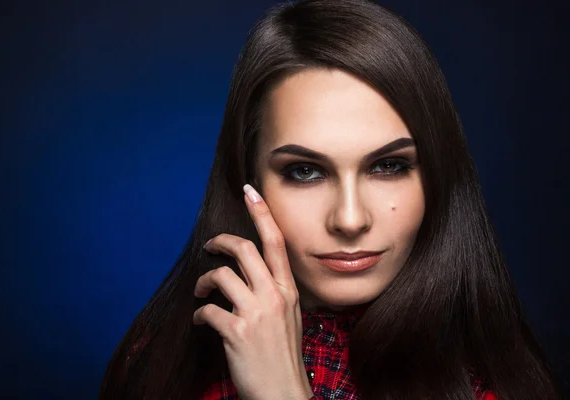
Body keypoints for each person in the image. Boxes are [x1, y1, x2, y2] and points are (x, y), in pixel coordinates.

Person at [99, 0, 562, 399]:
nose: (350, 218)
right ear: (248, 178)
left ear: (437, 176)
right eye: (305, 171)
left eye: (388, 166)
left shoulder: (489, 382)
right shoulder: (159, 370)